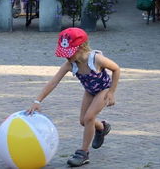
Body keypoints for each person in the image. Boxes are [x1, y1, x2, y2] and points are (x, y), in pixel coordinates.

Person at [27, 28, 120, 167]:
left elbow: (116, 69)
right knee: (83, 121)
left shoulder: (96, 59)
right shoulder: (70, 64)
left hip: (104, 90)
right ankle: (102, 128)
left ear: (82, 47)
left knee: (89, 117)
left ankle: (83, 153)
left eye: (69, 53)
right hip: (89, 91)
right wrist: (37, 100)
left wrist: (112, 92)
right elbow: (53, 82)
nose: (66, 57)